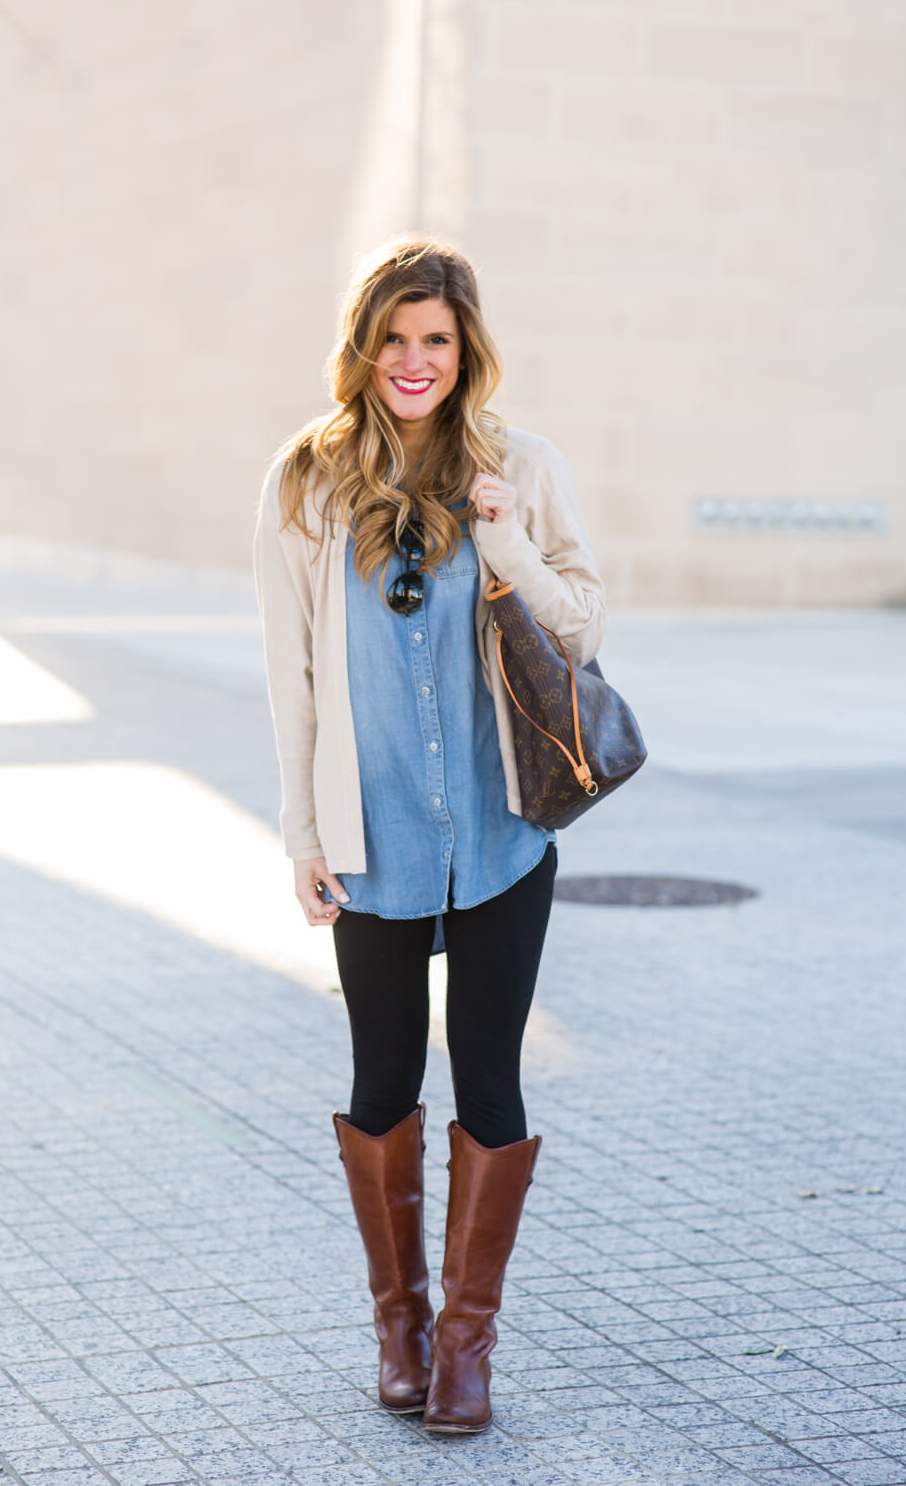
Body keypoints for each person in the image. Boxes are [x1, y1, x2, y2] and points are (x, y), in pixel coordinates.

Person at [253, 236, 605, 1434]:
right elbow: (292, 674)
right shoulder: (304, 480)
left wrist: (503, 538)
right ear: (365, 347)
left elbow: (584, 630)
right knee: (381, 1079)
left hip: (501, 832)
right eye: (395, 339)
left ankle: (467, 1346)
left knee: (493, 1076)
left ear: (466, 353)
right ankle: (398, 1329)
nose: (415, 361)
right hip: (376, 836)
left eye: (437, 341)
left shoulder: (521, 464)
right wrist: (304, 831)